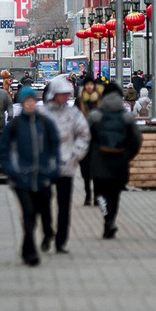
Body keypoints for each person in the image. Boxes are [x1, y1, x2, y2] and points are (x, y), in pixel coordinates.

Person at [0, 87, 60, 266]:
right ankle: (30, 251)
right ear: (22, 104)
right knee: (29, 214)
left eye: (33, 101)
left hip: (43, 176)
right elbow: (3, 149)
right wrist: (11, 170)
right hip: (22, 178)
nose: (30, 104)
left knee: (42, 212)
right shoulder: (15, 125)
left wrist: (53, 168)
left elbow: (55, 146)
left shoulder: (45, 123)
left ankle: (38, 240)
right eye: (27, 101)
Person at [39, 77, 90, 254]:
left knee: (64, 205)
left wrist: (76, 153)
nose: (65, 98)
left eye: (67, 95)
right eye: (61, 95)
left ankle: (61, 240)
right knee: (44, 203)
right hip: (46, 165)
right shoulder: (42, 113)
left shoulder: (73, 114)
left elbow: (84, 134)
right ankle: (47, 233)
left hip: (67, 165)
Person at [88, 82, 142, 239]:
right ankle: (111, 219)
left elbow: (87, 139)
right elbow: (136, 140)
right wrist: (127, 155)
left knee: (100, 195)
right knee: (115, 194)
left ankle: (106, 218)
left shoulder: (95, 116)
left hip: (99, 160)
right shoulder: (127, 117)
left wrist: (91, 157)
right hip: (120, 160)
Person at [76, 74, 102, 206]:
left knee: (97, 169)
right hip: (83, 138)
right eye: (87, 85)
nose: (89, 87)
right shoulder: (79, 100)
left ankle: (97, 196)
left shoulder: (100, 100)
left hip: (97, 139)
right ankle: (88, 195)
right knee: (85, 169)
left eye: (91, 84)